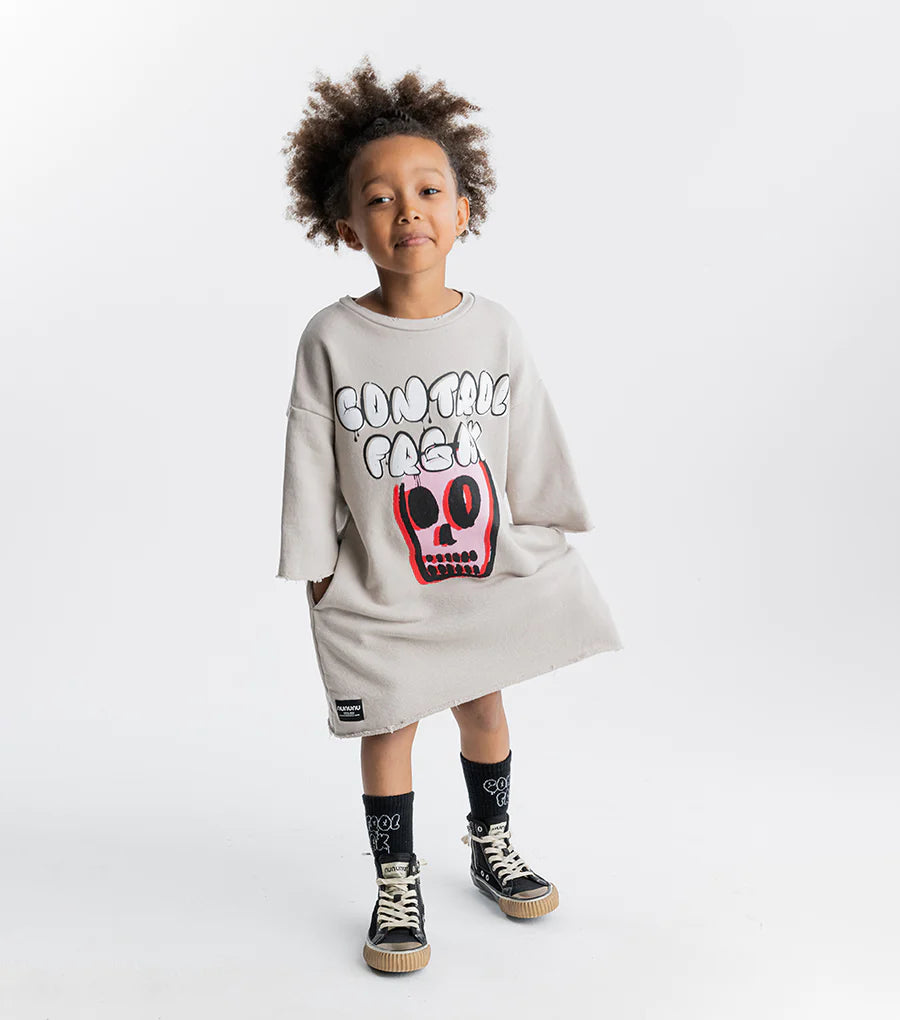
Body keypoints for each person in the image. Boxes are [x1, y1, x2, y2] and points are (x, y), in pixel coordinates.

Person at [277, 55, 624, 974]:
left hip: (475, 572)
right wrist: (316, 568)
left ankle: (490, 842)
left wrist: (543, 528)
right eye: (380, 199)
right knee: (388, 727)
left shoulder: (493, 326)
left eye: (429, 190)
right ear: (346, 226)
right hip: (383, 583)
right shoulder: (332, 337)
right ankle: (396, 882)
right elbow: (308, 454)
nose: (408, 211)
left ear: (465, 210)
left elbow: (529, 434)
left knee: (483, 704)